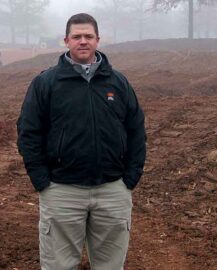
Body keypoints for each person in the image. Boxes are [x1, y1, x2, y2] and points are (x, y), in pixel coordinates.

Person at [17, 13, 146, 270]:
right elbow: (28, 133)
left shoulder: (118, 83)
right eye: (77, 37)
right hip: (62, 192)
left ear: (98, 40)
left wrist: (130, 179)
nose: (83, 41)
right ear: (66, 40)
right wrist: (43, 182)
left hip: (112, 191)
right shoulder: (46, 83)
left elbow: (136, 130)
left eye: (88, 36)